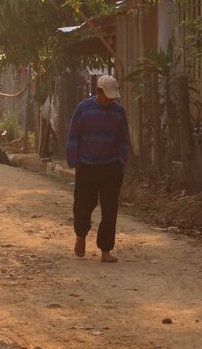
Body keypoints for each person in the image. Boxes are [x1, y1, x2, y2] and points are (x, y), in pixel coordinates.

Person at [67, 74, 129, 264]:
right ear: (98, 92)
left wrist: (121, 161)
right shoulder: (83, 109)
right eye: (107, 96)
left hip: (110, 167)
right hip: (87, 166)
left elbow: (124, 139)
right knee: (82, 206)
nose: (110, 100)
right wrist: (74, 160)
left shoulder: (118, 112)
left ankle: (105, 250)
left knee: (110, 210)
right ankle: (81, 236)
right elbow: (73, 136)